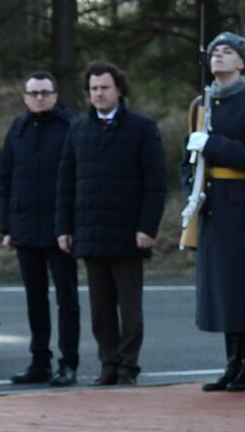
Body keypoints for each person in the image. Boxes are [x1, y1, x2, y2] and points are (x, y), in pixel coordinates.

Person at [55, 62, 166, 387]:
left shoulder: (143, 128)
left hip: (129, 234)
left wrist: (148, 227)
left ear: (119, 89)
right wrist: (64, 228)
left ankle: (128, 366)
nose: (99, 94)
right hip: (89, 232)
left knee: (130, 308)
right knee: (100, 307)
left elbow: (156, 183)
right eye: (93, 89)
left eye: (105, 87)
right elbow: (65, 182)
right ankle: (108, 364)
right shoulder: (77, 129)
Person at [181, 32, 245, 392]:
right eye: (215, 52)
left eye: (228, 53)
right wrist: (191, 191)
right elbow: (186, 159)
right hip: (211, 204)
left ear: (242, 62)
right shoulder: (200, 105)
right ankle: (234, 363)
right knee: (222, 288)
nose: (218, 57)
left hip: (241, 203)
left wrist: (215, 145)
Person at [0, 71, 80, 386]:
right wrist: (7, 226)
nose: (40, 98)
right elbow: (6, 179)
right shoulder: (17, 129)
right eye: (34, 93)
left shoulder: (70, 127)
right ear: (25, 97)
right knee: (35, 299)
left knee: (66, 299)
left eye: (45, 92)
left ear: (56, 95)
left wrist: (70, 226)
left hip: (60, 230)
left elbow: (76, 179)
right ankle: (39, 362)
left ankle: (68, 363)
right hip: (25, 227)